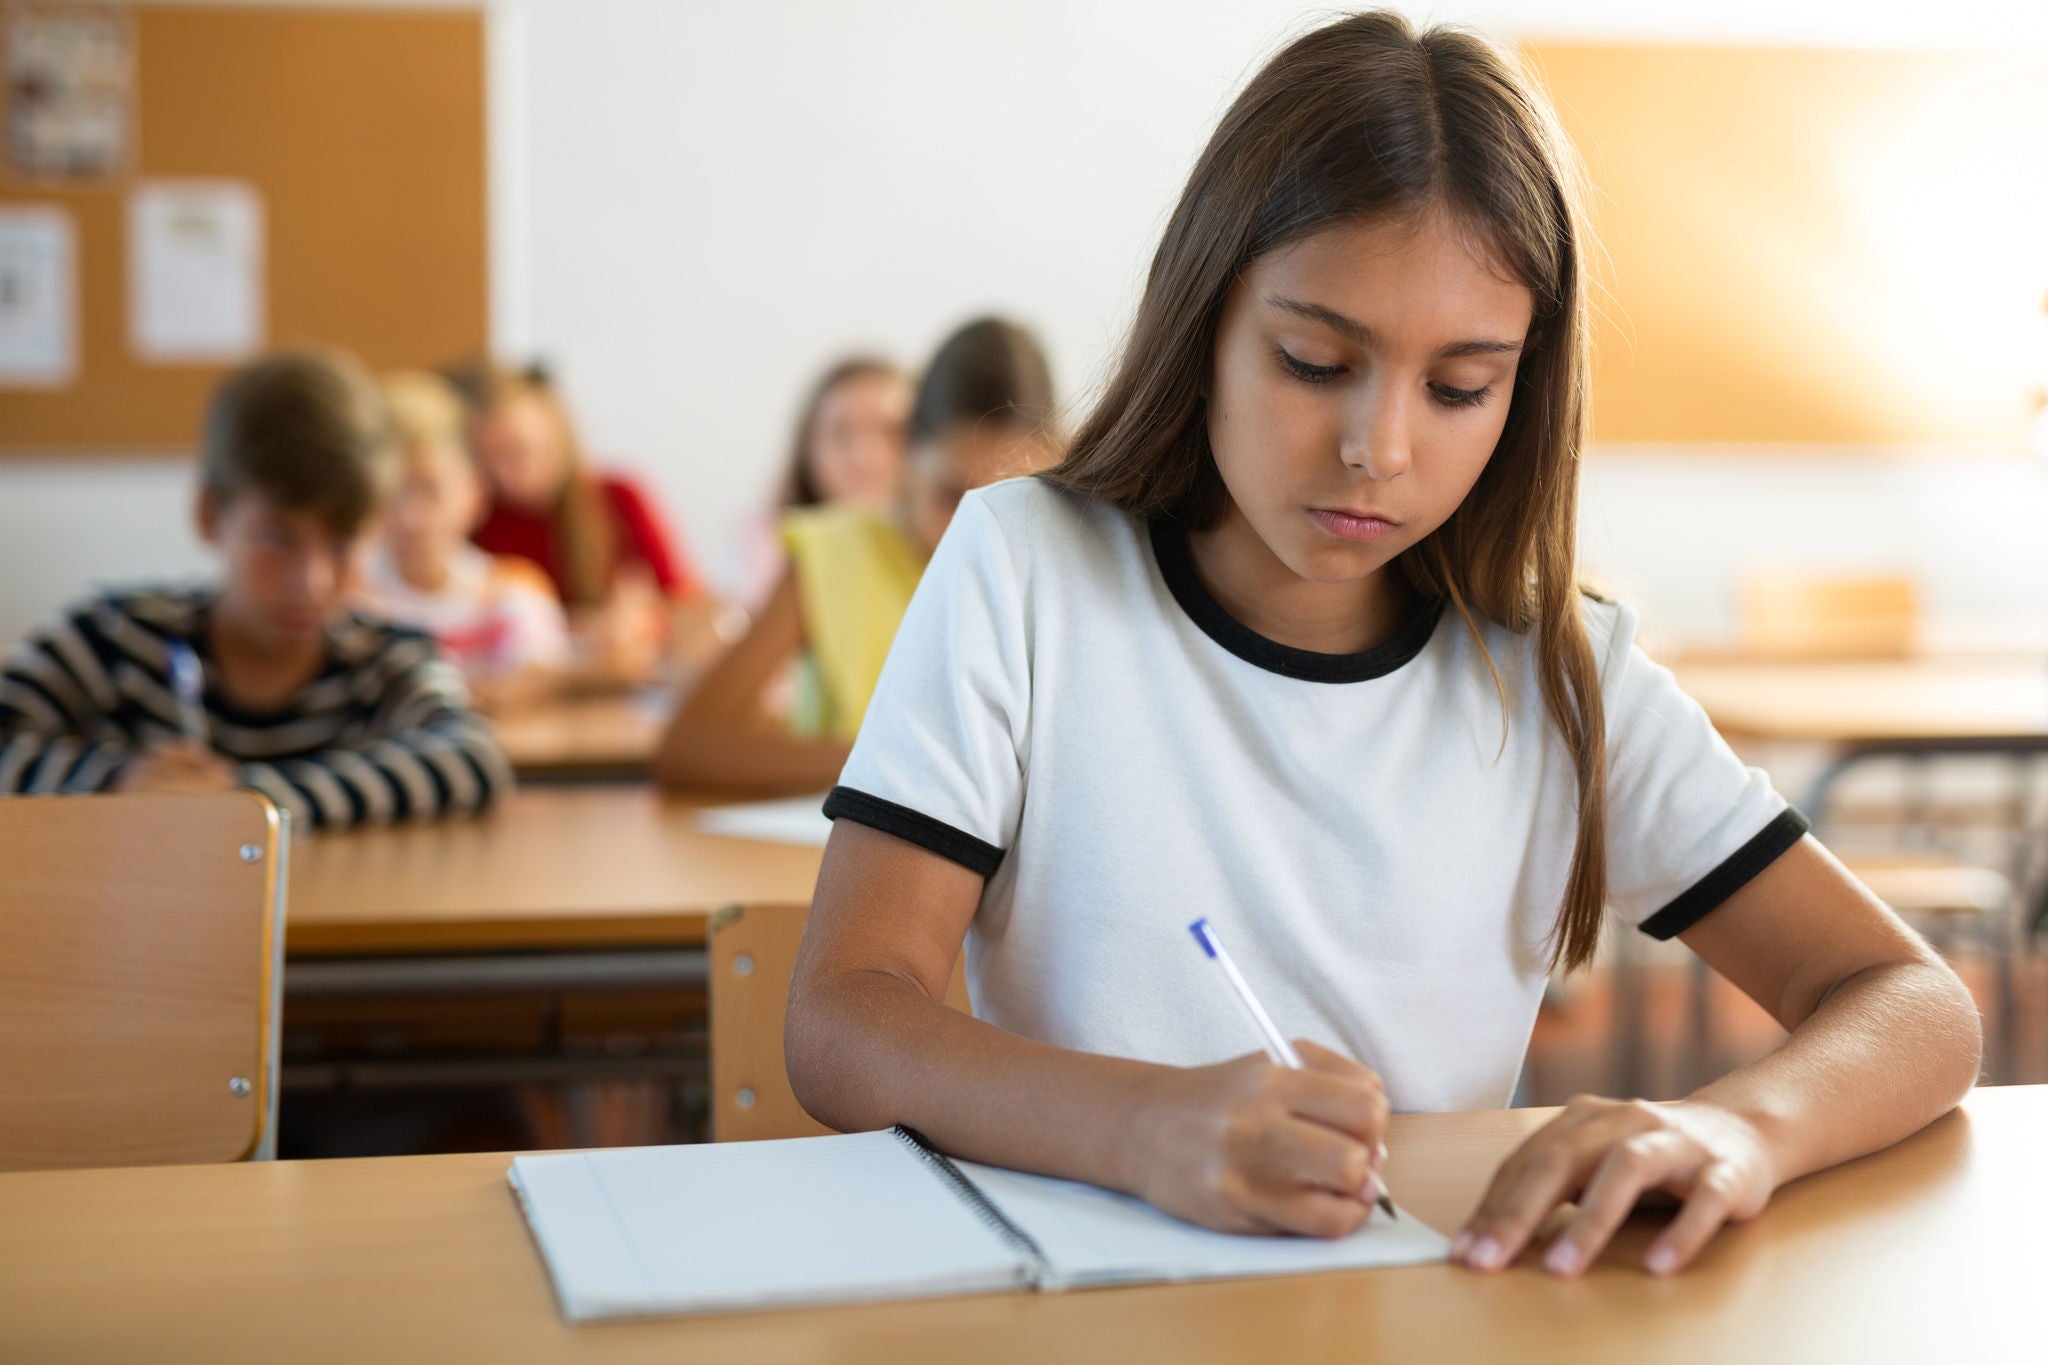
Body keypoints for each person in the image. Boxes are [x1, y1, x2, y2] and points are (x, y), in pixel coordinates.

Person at [783, 11, 1980, 1282]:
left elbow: (1912, 1006)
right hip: (1090, 1295)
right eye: (1312, 360)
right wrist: (1140, 1124)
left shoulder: (1558, 670)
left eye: (1459, 387)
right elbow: (844, 1016)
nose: (1380, 449)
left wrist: (1732, 1130)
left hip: (1425, 1301)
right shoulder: (1028, 570)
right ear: (1204, 323)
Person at [0, 348, 512, 827]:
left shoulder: (386, 662)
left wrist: (244, 801)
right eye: (276, 538)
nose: (311, 581)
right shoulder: (114, 641)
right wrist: (121, 780)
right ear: (209, 515)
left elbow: (474, 759)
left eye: (342, 542)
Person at [655, 318, 1055, 795]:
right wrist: (897, 761)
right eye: (951, 496)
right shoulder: (835, 556)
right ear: (906, 456)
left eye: (1009, 501)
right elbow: (690, 747)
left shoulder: (1062, 565)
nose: (977, 533)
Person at [450, 359, 717, 683]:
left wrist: (645, 622)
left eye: (520, 450)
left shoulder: (618, 499)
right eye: (492, 458)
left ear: (555, 430)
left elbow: (688, 607)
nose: (510, 475)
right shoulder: (475, 521)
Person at [357, 371, 570, 711]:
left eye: (430, 491)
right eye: (392, 493)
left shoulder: (512, 591)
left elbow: (543, 672)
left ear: (475, 495)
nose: (409, 516)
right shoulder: (350, 595)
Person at [730, 356, 915, 611]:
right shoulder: (765, 551)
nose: (863, 457)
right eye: (840, 434)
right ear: (808, 449)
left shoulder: (946, 555)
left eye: (888, 433)